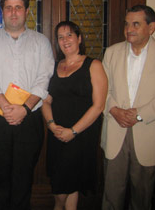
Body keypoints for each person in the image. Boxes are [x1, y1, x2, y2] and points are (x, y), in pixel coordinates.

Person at [0, 0, 55, 210]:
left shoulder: (41, 42)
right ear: (2, 12)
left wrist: (24, 109)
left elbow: (44, 78)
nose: (13, 12)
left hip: (29, 120)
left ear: (27, 11)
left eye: (18, 7)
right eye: (8, 7)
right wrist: (7, 107)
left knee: (24, 177)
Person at [101, 5, 155, 210]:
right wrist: (114, 110)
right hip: (115, 131)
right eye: (127, 24)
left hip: (148, 130)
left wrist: (139, 114)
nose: (129, 29)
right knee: (111, 194)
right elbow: (102, 89)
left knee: (142, 197)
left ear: (151, 27)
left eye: (136, 24)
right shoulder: (111, 53)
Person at [42, 21, 107, 210]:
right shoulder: (54, 67)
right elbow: (46, 101)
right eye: (60, 37)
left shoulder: (93, 65)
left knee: (67, 183)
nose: (65, 40)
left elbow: (99, 105)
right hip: (57, 133)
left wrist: (74, 131)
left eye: (69, 35)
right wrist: (52, 125)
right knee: (65, 184)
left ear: (79, 38)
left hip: (81, 134)